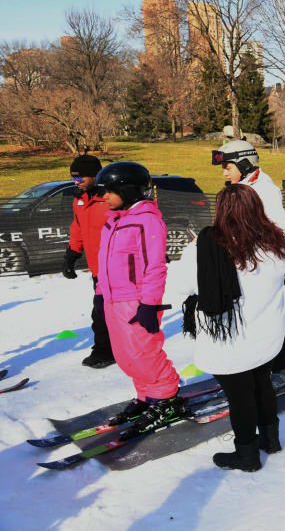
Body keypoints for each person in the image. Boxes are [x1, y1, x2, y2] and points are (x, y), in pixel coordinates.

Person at [168, 184, 285, 472]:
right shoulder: (274, 242)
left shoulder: (206, 247)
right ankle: (270, 440)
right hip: (266, 335)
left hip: (230, 341)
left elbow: (181, 287)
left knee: (240, 397)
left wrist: (196, 251)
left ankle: (246, 455)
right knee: (262, 385)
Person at [95, 162, 182, 432]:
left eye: (109, 191)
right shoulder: (113, 221)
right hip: (113, 299)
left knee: (144, 352)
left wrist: (149, 304)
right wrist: (100, 296)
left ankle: (167, 399)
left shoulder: (147, 221)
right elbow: (103, 262)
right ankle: (147, 396)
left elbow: (155, 266)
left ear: (128, 190)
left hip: (136, 300)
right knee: (125, 356)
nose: (104, 196)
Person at [212, 140, 285, 388]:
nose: (224, 171)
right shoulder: (239, 187)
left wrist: (283, 264)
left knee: (264, 315)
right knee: (249, 316)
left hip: (261, 263)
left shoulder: (264, 190)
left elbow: (282, 229)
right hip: (240, 263)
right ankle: (256, 362)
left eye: (228, 166)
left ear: (244, 163)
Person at [63, 154, 115, 368]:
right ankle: (108, 349)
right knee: (103, 311)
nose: (76, 182)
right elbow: (78, 227)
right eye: (73, 178)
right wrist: (71, 253)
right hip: (97, 267)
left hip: (116, 266)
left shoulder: (111, 199)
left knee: (105, 311)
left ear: (95, 175)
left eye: (81, 177)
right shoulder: (80, 199)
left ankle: (106, 350)